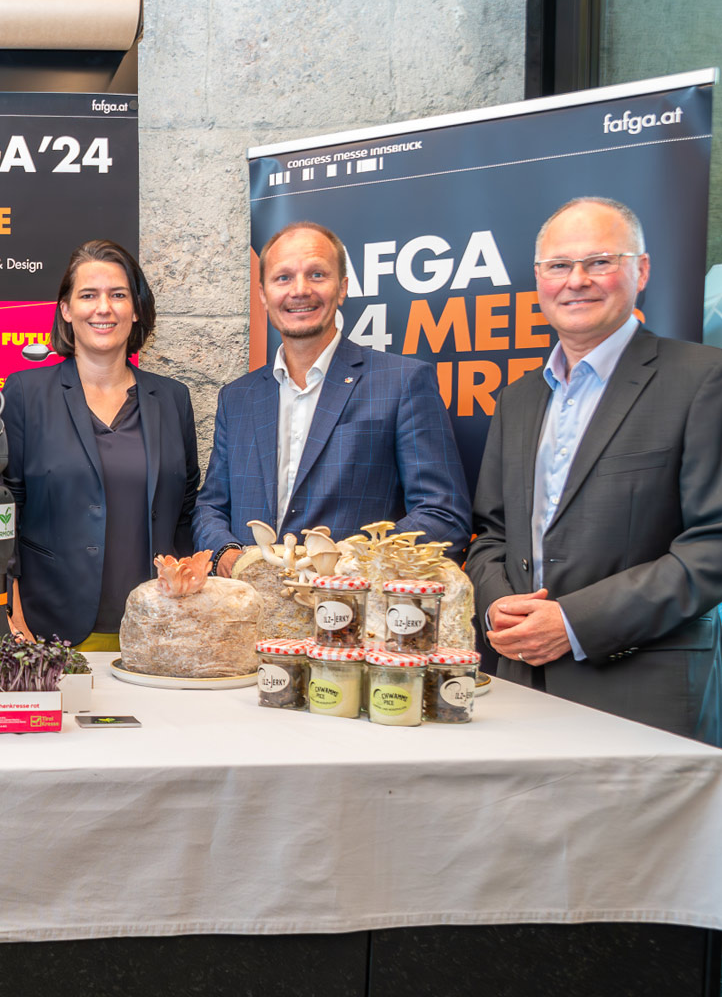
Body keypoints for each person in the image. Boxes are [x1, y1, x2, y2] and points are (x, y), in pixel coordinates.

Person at [468, 197, 722, 745]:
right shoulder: (518, 400)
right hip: (516, 683)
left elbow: (713, 545)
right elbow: (490, 534)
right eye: (559, 266)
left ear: (641, 270)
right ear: (538, 279)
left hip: (641, 689)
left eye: (600, 262)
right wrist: (497, 607)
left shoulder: (704, 380)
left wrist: (576, 623)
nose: (576, 281)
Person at [194, 221, 470, 576]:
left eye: (317, 275)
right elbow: (211, 506)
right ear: (263, 294)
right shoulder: (238, 398)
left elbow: (443, 515)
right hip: (254, 619)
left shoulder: (402, 383)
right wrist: (229, 556)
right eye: (283, 278)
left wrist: (349, 564)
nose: (299, 290)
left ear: (342, 288)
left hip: (352, 618)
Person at [2, 240, 199, 649]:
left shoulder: (173, 399)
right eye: (88, 295)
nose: (103, 308)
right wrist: (10, 606)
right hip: (48, 629)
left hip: (157, 629)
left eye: (119, 295)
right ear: (66, 310)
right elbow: (5, 511)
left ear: (137, 309)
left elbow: (185, 510)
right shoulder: (25, 392)